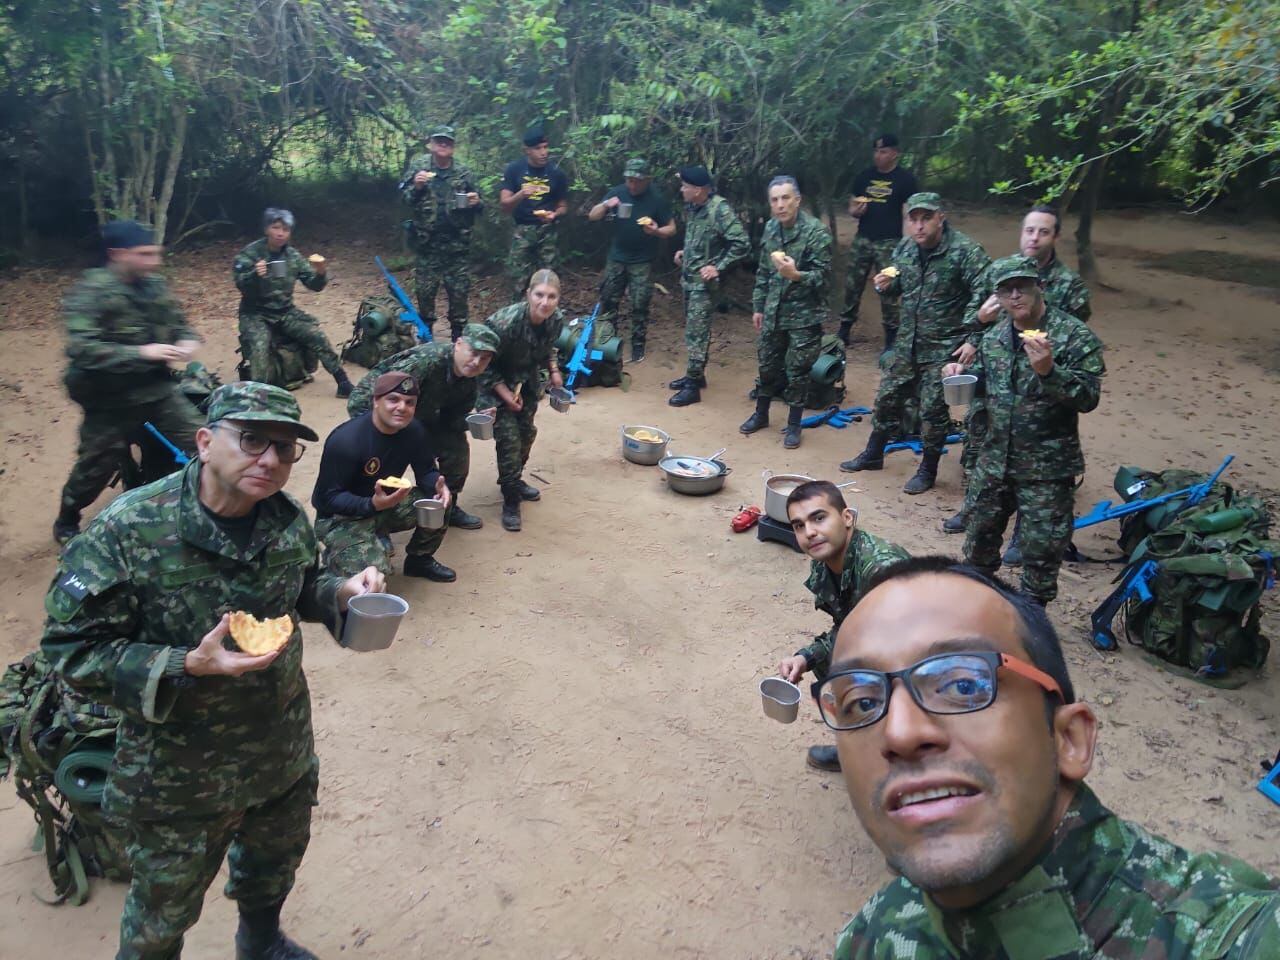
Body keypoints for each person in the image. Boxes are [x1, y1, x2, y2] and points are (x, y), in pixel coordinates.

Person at [40, 382, 384, 960]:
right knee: (161, 913)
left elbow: (298, 588)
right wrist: (182, 664)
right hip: (180, 770)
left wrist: (339, 592)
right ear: (204, 441)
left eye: (283, 447)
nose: (270, 459)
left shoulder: (285, 519)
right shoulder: (129, 530)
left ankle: (260, 941)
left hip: (278, 743)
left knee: (273, 863)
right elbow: (69, 648)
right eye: (251, 440)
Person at [817, 555, 1280, 958]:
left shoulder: (1223, 937)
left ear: (1069, 740)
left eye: (963, 685)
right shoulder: (875, 934)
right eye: (862, 702)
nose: (899, 732)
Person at [941, 255, 1104, 605]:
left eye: (1022, 286)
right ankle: (979, 610)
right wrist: (961, 375)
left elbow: (1088, 397)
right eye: (1005, 290)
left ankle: (1032, 621)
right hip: (994, 461)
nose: (1015, 295)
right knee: (979, 543)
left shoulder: (1073, 336)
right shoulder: (994, 336)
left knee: (1041, 551)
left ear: (1039, 287)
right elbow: (988, 384)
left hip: (1047, 467)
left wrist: (1049, 371)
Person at [945, 205, 1092, 543]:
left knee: (1035, 457)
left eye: (1043, 231)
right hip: (996, 371)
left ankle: (1023, 533)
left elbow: (1073, 340)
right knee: (983, 444)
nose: (1034, 237)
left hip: (1040, 382)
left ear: (1055, 236)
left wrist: (1048, 368)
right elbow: (974, 318)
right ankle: (975, 508)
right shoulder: (1002, 271)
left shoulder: (1069, 287)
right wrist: (978, 327)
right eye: (1029, 230)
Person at [54, 220, 203, 546]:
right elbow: (82, 349)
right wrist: (141, 353)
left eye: (156, 253)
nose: (154, 261)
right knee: (96, 467)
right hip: (110, 399)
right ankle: (68, 516)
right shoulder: (91, 292)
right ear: (117, 254)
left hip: (157, 391)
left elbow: (182, 326)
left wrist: (186, 342)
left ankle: (206, 511)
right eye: (145, 254)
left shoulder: (155, 287)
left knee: (206, 443)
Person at [840, 193, 990, 495]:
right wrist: (884, 286)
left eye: (926, 218)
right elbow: (897, 286)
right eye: (914, 219)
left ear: (940, 217)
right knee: (886, 398)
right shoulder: (906, 248)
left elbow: (987, 298)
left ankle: (928, 468)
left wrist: (973, 339)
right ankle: (873, 453)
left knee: (933, 412)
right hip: (907, 343)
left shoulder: (966, 252)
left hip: (944, 348)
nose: (919, 226)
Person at [774, 481, 908, 772]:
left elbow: (911, 647)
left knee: (859, 675)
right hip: (883, 648)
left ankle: (893, 756)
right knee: (837, 666)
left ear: (847, 518)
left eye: (819, 518)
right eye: (799, 525)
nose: (809, 532)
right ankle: (860, 743)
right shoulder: (826, 563)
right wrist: (805, 657)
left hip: (924, 660)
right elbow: (849, 630)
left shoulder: (881, 571)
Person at [346, 323, 501, 540]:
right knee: (387, 459)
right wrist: (394, 434)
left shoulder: (469, 381)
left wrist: (474, 420)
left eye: (484, 358)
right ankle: (376, 523)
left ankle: (447, 504)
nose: (476, 362)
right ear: (458, 345)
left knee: (456, 447)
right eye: (473, 353)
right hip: (375, 409)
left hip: (419, 417)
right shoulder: (427, 362)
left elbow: (452, 422)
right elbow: (379, 398)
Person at [313, 372, 456, 582]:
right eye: (393, 399)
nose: (402, 407)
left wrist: (437, 484)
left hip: (386, 503)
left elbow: (425, 471)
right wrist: (371, 504)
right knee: (377, 576)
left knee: (439, 503)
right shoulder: (346, 441)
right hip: (340, 518)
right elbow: (327, 499)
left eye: (409, 402)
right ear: (376, 401)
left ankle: (419, 560)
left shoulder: (414, 430)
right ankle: (337, 556)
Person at [740, 176, 832, 449]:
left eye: (786, 198)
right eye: (775, 200)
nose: (780, 205)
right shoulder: (771, 229)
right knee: (767, 365)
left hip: (804, 316)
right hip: (773, 312)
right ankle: (761, 414)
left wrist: (797, 275)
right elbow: (764, 272)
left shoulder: (816, 233)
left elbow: (824, 278)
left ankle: (794, 425)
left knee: (798, 371)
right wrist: (758, 306)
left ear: (798, 200)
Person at [479, 269, 567, 532]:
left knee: (527, 433)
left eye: (551, 297)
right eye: (539, 295)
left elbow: (549, 347)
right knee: (509, 439)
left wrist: (553, 370)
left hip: (525, 382)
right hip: (493, 384)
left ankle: (513, 479)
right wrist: (505, 395)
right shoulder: (506, 322)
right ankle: (510, 499)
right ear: (528, 294)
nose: (545, 302)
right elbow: (481, 363)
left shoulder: (556, 319)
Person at [233, 208, 353, 397]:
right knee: (259, 349)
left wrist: (321, 273)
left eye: (286, 230)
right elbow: (241, 285)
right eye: (276, 228)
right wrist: (254, 275)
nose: (281, 233)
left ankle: (343, 381)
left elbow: (314, 285)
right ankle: (258, 398)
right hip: (255, 313)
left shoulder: (293, 257)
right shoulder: (250, 254)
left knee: (316, 336)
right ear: (267, 229)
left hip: (284, 311)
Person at [668, 165, 750, 407]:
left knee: (697, 332)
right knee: (693, 330)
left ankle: (693, 387)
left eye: (685, 186)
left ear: (699, 189)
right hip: (690, 280)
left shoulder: (719, 209)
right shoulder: (694, 207)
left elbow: (741, 243)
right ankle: (696, 374)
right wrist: (686, 252)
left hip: (704, 285)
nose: (681, 189)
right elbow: (703, 239)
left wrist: (718, 267)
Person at [587, 157, 677, 363]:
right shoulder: (618, 192)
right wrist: (605, 205)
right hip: (617, 257)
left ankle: (638, 346)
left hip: (642, 260)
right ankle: (607, 341)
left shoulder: (657, 199)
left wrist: (656, 231)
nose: (632, 185)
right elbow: (592, 216)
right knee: (608, 299)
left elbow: (671, 228)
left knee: (640, 304)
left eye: (637, 181)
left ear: (647, 180)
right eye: (629, 180)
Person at [400, 124, 483, 341]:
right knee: (425, 295)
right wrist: (416, 188)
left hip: (457, 248)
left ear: (453, 147)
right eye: (439, 141)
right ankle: (426, 339)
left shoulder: (464, 172)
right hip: (427, 246)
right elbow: (404, 199)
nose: (443, 145)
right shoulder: (419, 168)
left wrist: (476, 202)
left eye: (447, 142)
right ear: (431, 144)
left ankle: (458, 341)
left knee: (459, 297)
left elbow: (480, 205)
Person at [837, 134, 918, 349]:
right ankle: (844, 328)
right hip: (863, 239)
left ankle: (891, 334)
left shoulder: (905, 180)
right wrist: (857, 210)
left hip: (890, 242)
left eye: (883, 152)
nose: (878, 156)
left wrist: (906, 245)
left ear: (894, 153)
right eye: (876, 151)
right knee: (853, 285)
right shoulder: (864, 177)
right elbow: (852, 208)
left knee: (888, 288)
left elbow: (908, 214)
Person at [500, 125, 569, 298]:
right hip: (522, 231)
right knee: (517, 280)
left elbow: (563, 206)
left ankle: (547, 318)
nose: (543, 152)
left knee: (548, 279)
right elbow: (505, 205)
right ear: (527, 150)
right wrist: (521, 194)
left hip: (547, 232)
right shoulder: (514, 169)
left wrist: (555, 214)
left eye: (546, 147)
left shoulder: (556, 173)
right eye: (538, 148)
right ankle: (515, 316)